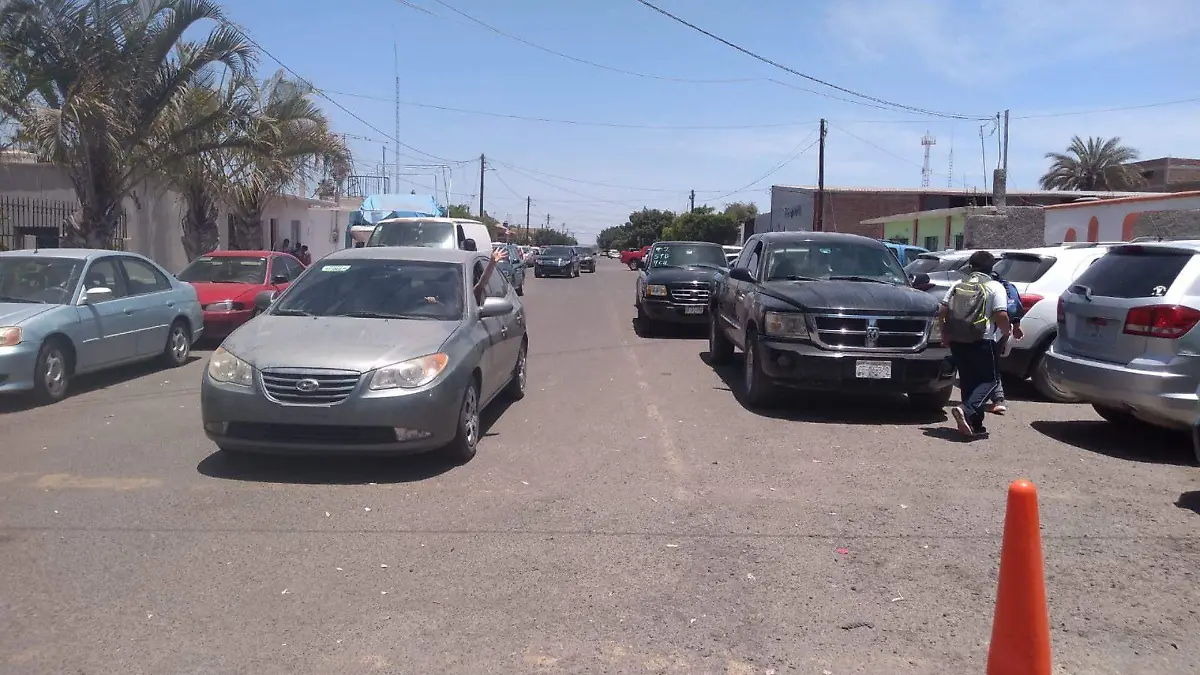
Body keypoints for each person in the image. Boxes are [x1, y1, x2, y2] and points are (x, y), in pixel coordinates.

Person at [937, 250, 1011, 437]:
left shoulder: (957, 284)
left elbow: (943, 311)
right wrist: (1006, 331)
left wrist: (945, 333)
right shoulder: (995, 286)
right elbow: (1001, 314)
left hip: (957, 340)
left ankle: (975, 425)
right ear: (991, 267)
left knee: (969, 382)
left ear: (970, 266)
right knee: (990, 381)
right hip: (983, 340)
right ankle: (967, 410)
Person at [984, 265, 1026, 414]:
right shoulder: (1008, 286)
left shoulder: (988, 286)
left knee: (988, 366)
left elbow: (1000, 312)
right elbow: (1016, 308)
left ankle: (997, 399)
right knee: (992, 365)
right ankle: (994, 398)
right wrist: (1015, 327)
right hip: (1001, 332)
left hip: (987, 332)